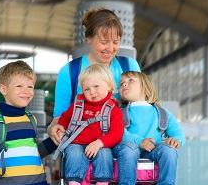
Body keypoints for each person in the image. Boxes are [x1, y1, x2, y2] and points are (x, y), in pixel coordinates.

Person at [48, 7, 141, 144]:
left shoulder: (129, 67)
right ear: (89, 38)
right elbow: (59, 117)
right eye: (104, 42)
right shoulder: (70, 71)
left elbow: (143, 105)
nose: (110, 49)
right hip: (84, 144)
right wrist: (53, 128)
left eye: (115, 42)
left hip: (125, 141)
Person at [114, 71, 185, 185]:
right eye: (121, 83)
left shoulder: (162, 114)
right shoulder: (119, 113)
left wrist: (175, 140)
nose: (124, 84)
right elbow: (120, 133)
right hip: (128, 149)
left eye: (130, 81)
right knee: (129, 148)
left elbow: (178, 133)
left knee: (169, 150)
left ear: (145, 89)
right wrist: (140, 142)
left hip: (152, 150)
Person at [56, 63, 123, 185]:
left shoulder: (113, 110)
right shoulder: (78, 104)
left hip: (99, 144)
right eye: (87, 89)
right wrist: (61, 127)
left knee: (106, 154)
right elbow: (66, 118)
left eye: (96, 87)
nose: (92, 92)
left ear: (109, 86)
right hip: (77, 142)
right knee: (72, 152)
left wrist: (100, 142)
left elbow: (117, 134)